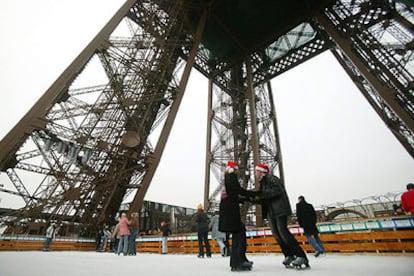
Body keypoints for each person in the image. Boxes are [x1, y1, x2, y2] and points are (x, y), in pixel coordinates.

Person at [254, 163, 309, 269]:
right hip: (271, 211)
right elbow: (263, 197)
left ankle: (301, 255)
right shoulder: (263, 183)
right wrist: (251, 198)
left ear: (262, 172)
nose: (255, 173)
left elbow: (277, 191)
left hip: (279, 209)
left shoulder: (272, 178)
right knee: (277, 234)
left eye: (256, 171)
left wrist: (261, 195)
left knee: (283, 232)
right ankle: (288, 255)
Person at [219, 161, 258, 271]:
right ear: (233, 169)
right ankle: (237, 262)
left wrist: (244, 199)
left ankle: (241, 259)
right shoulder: (231, 177)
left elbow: (233, 195)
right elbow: (237, 190)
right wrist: (252, 194)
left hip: (229, 211)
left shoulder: (227, 178)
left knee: (240, 233)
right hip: (230, 213)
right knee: (238, 235)